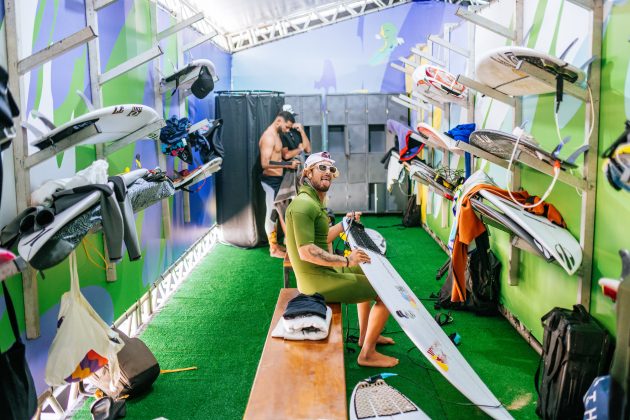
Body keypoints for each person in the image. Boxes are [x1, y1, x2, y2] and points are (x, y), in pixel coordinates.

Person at [284, 152, 398, 368]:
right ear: (307, 172)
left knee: (370, 271)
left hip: (323, 274)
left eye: (330, 169)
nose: (327, 172)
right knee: (386, 292)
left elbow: (322, 238)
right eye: (321, 168)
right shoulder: (303, 205)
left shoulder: (311, 202)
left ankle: (366, 336)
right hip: (316, 283)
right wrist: (346, 261)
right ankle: (367, 355)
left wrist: (345, 223)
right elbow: (306, 251)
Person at [259, 111, 300, 258]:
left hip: (278, 181)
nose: (288, 130)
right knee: (271, 214)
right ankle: (273, 249)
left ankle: (277, 246)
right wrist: (288, 164)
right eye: (287, 127)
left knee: (278, 213)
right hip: (270, 182)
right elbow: (264, 164)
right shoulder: (269, 137)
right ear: (279, 121)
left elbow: (282, 155)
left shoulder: (276, 135)